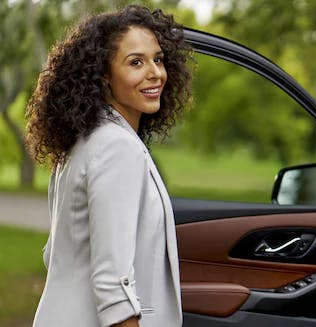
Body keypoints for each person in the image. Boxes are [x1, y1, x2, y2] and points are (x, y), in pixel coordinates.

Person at [25, 5, 192, 327]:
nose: (155, 72)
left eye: (157, 59)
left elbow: (57, 255)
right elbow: (113, 284)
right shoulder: (117, 148)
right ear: (103, 76)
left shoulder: (82, 142)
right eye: (135, 62)